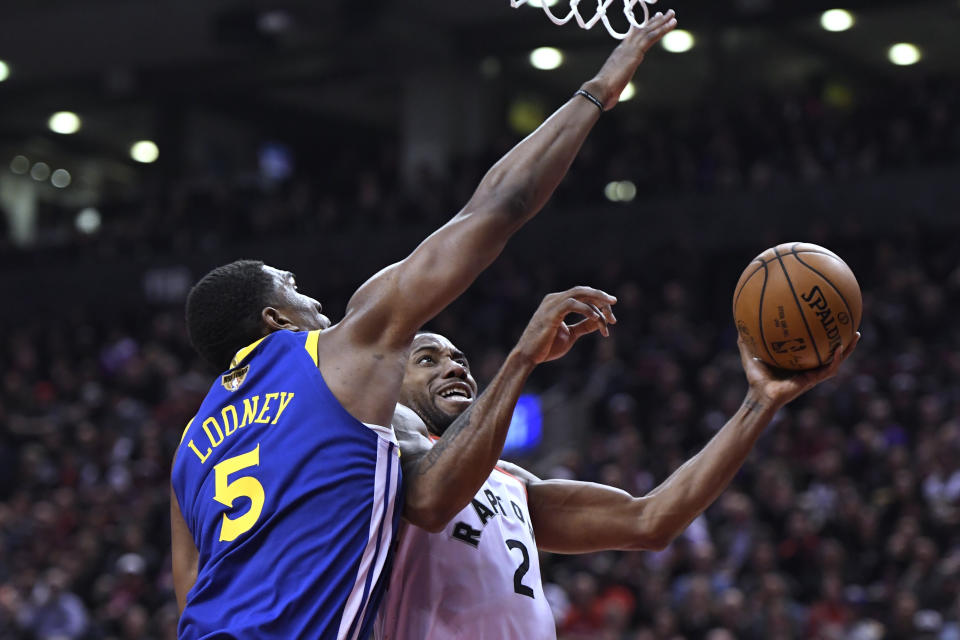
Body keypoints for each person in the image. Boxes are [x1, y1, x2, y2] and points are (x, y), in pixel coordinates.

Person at [170, 11, 677, 639]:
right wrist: (598, 89)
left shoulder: (191, 450)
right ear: (275, 319)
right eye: (295, 290)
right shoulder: (333, 353)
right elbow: (496, 208)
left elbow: (194, 590)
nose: (316, 305)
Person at [376, 328, 860, 639]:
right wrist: (522, 356)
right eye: (427, 359)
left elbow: (650, 520)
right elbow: (431, 492)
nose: (455, 365)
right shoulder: (381, 454)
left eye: (460, 357)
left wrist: (761, 403)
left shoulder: (511, 482)